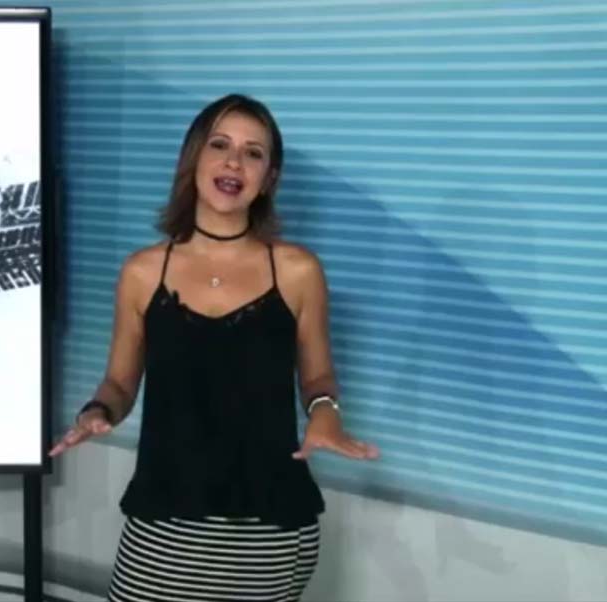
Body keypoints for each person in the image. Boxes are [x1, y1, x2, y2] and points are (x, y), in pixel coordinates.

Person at [49, 93, 380, 602]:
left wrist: (325, 413)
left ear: (269, 177)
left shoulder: (298, 271)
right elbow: (119, 382)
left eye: (253, 152)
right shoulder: (142, 272)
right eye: (220, 145)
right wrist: (98, 411)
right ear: (194, 159)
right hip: (164, 521)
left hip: (268, 526)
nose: (234, 162)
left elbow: (318, 378)